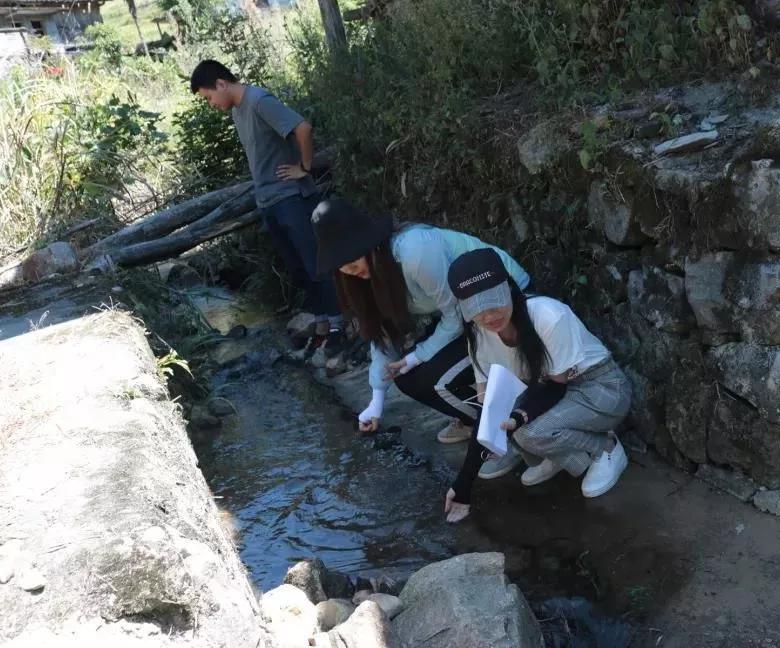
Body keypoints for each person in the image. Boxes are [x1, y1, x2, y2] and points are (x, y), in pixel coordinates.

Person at [312, 195, 531, 478]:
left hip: (506, 307)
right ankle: (475, 419)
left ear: (368, 243)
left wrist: (419, 355)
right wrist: (376, 402)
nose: (351, 272)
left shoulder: (414, 251)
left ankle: (503, 436)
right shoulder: (365, 275)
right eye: (343, 268)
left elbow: (456, 313)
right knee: (407, 376)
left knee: (436, 379)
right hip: (466, 319)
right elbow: (381, 333)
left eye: (352, 261)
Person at [442, 248, 632, 523]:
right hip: (548, 392)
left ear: (509, 287)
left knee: (528, 432)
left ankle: (606, 448)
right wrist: (462, 486)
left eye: (494, 302)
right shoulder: (479, 335)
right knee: (511, 424)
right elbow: (488, 411)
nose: (489, 316)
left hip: (599, 388)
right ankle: (560, 452)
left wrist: (520, 417)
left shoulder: (548, 315)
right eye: (477, 309)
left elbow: (557, 387)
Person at [189, 59, 345, 362]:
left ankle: (339, 327)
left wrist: (305, 167)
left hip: (292, 197)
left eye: (209, 97)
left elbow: (303, 127)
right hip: (270, 201)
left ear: (221, 83)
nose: (211, 104)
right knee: (298, 268)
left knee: (316, 264)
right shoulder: (237, 110)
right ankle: (323, 324)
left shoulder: (259, 101)